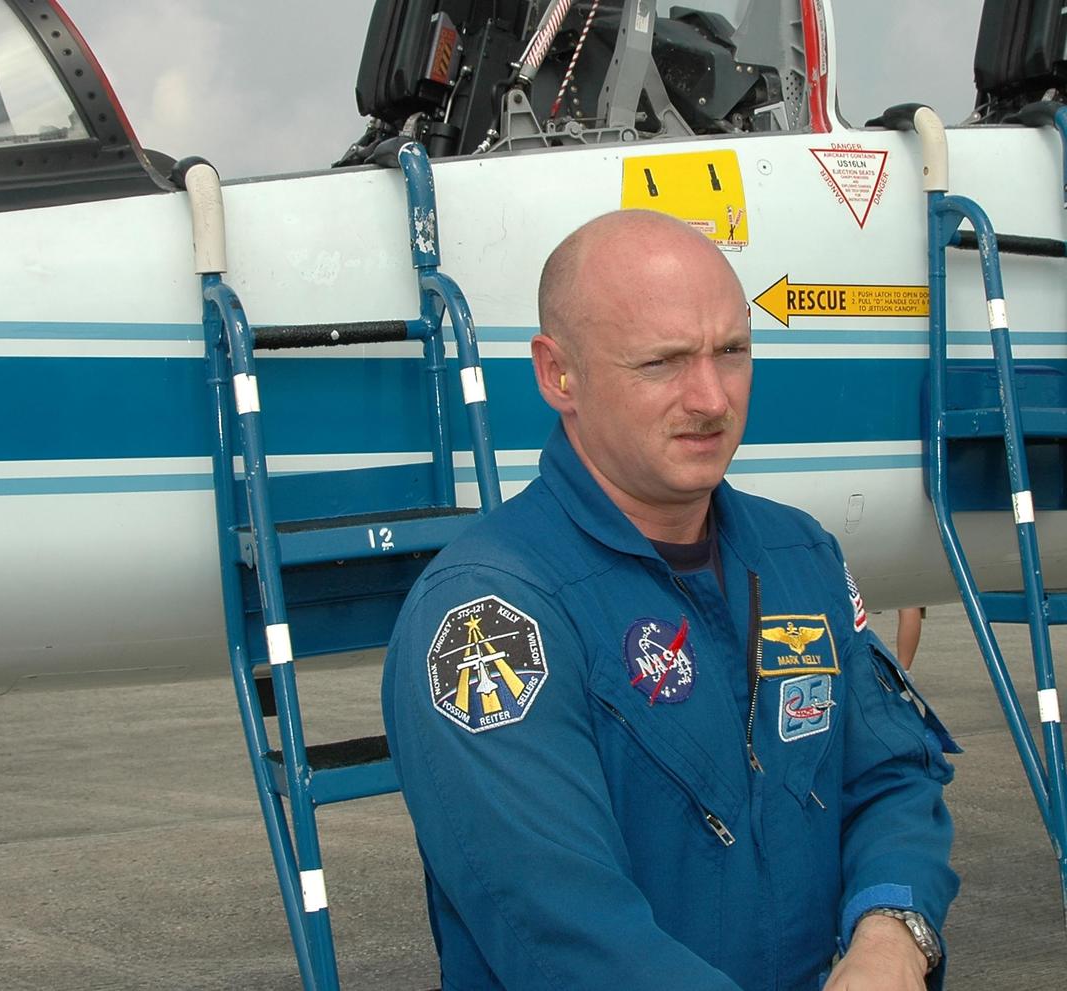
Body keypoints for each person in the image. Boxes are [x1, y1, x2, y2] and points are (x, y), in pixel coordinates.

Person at [382, 210, 959, 991]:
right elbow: (567, 934)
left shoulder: (800, 558)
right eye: (663, 362)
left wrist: (892, 932)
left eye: (732, 351)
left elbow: (891, 777)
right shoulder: (490, 614)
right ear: (558, 374)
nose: (711, 397)